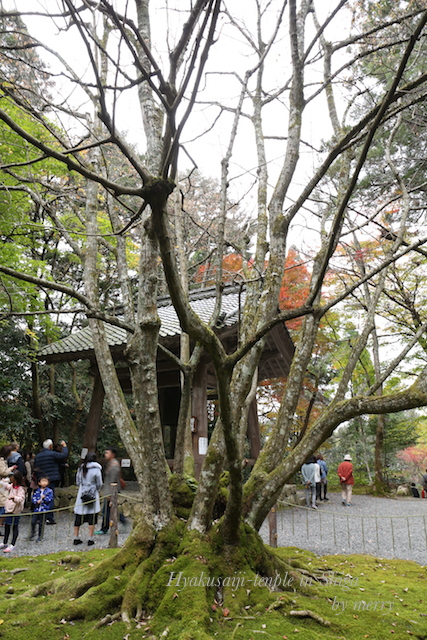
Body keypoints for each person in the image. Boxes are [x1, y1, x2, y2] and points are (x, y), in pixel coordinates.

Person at [34, 439, 68, 524]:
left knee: (40, 496)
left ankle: (40, 516)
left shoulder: (38, 456)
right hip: (51, 479)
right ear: (50, 446)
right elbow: (64, 455)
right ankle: (49, 517)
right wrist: (64, 446)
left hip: (41, 479)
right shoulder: (52, 454)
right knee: (49, 497)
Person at [73, 452, 103, 547]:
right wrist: (96, 490)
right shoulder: (97, 470)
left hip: (82, 494)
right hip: (92, 493)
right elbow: (99, 483)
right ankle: (90, 539)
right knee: (92, 517)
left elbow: (78, 481)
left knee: (78, 518)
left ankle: (76, 538)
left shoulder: (81, 468)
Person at [96, 447, 125, 535]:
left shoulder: (114, 465)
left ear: (112, 454)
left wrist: (110, 494)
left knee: (107, 510)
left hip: (111, 492)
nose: (105, 454)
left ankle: (104, 528)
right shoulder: (111, 464)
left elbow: (113, 480)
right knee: (111, 510)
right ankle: (122, 520)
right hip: (109, 491)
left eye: (107, 453)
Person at [0, 470, 26, 552]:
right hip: (9, 510)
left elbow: (21, 499)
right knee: (7, 526)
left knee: (14, 527)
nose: (10, 478)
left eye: (11, 477)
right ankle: (5, 542)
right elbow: (5, 487)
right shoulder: (12, 486)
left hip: (15, 511)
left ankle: (13, 544)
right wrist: (3, 482)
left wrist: (14, 498)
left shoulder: (20, 488)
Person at [30, 476, 53, 542]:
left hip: (44, 510)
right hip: (37, 509)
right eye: (43, 481)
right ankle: (33, 533)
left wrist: (44, 498)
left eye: (46, 481)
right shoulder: (37, 491)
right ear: (39, 483)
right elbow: (33, 498)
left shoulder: (49, 491)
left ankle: (40, 536)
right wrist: (36, 501)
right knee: (33, 522)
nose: (44, 483)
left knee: (41, 523)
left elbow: (50, 499)